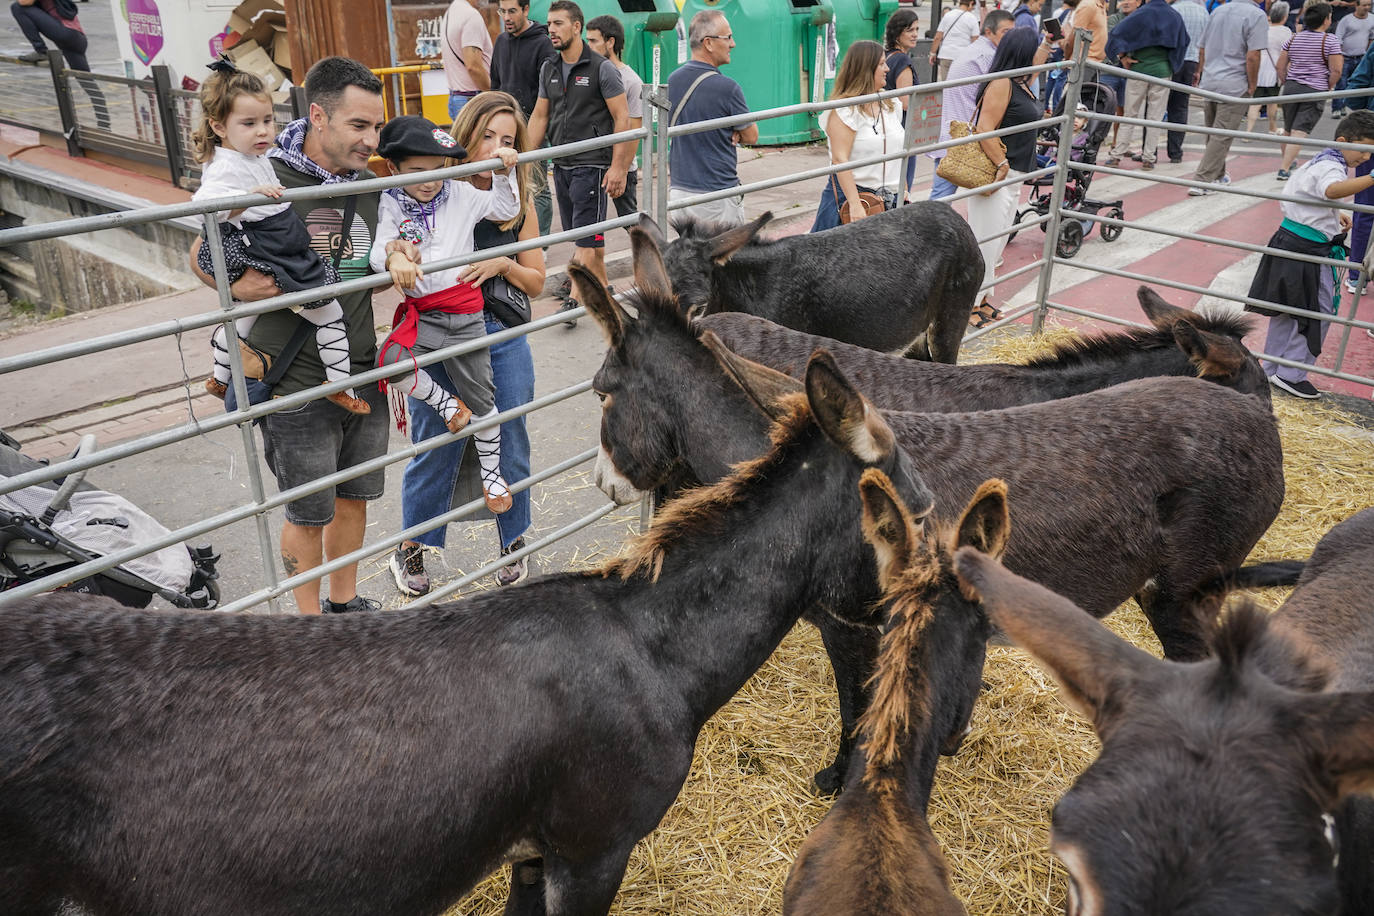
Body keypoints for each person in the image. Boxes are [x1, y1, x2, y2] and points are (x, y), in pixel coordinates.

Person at [189, 57, 390, 615]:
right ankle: (306, 626)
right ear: (320, 117)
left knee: (354, 498)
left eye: (376, 126)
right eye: (359, 126)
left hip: (361, 364)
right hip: (291, 376)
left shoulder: (372, 183)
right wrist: (241, 286)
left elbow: (389, 243)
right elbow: (200, 252)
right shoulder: (265, 169)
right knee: (308, 510)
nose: (370, 139)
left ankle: (344, 606)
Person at [391, 91, 543, 595]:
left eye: (508, 140)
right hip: (438, 329)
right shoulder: (429, 189)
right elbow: (391, 241)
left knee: (509, 433)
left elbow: (539, 282)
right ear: (465, 137)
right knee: (436, 439)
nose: (497, 147)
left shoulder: (514, 201)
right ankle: (412, 547)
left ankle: (513, 540)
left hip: (500, 330)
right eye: (488, 136)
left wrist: (504, 263)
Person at [191, 63, 369, 417]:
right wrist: (248, 198)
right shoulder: (227, 165)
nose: (262, 131)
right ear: (217, 126)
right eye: (249, 123)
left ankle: (219, 375)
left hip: (274, 239)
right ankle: (339, 384)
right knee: (329, 311)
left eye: (268, 120)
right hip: (269, 245)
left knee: (245, 316)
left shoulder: (250, 157)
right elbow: (203, 209)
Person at [371, 114, 519, 519]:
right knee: (387, 365)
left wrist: (506, 172)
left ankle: (492, 478)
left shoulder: (461, 193)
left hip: (467, 311)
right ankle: (446, 405)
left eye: (437, 169)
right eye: (417, 171)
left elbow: (505, 207)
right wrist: (394, 254)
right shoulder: (388, 200)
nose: (429, 180)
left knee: (484, 397)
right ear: (393, 168)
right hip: (423, 314)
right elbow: (379, 245)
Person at [1248, 109, 1374, 397]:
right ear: (1344, 140)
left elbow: (1309, 194)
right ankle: (1291, 373)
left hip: (1287, 239)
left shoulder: (1321, 158)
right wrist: (1371, 179)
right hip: (1308, 248)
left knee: (1285, 310)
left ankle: (1271, 367)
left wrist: (1333, 214)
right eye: (1365, 151)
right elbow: (1330, 190)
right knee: (1319, 311)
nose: (1366, 159)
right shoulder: (1332, 167)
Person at [526, 0, 634, 320]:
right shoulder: (549, 68)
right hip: (560, 164)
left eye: (558, 23)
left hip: (593, 165)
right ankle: (600, 284)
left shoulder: (602, 68)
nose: (551, 30)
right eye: (549, 24)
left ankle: (575, 296)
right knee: (583, 233)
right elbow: (539, 116)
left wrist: (618, 167)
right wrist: (524, 160)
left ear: (576, 27)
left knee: (587, 235)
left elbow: (622, 118)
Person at [967, 27, 1048, 326]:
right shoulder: (1002, 82)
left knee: (997, 243)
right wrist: (1001, 164)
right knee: (984, 243)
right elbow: (984, 128)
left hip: (1014, 175)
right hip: (998, 174)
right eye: (1035, 48)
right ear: (1022, 53)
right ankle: (969, 306)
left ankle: (983, 300)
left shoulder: (1021, 82)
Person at [666, 10, 759, 227]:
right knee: (726, 258)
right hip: (716, 196)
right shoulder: (728, 88)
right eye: (728, 37)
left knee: (689, 260)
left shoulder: (672, 80)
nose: (733, 44)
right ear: (708, 43)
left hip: (679, 192)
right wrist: (734, 129)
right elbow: (752, 135)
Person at [810, 41, 905, 232]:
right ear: (864, 69)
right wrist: (855, 205)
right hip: (855, 202)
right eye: (881, 64)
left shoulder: (891, 103)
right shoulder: (844, 109)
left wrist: (904, 188)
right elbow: (839, 159)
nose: (887, 69)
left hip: (891, 202)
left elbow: (900, 151)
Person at [929, 9, 1018, 201]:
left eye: (1013, 32)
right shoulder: (988, 57)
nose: (1010, 37)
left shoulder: (977, 50)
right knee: (942, 198)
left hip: (955, 132)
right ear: (989, 32)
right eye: (1005, 32)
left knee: (942, 196)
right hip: (964, 136)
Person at [490, 0, 557, 237]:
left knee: (537, 188)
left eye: (512, 11)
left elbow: (547, 93)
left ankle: (540, 243)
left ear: (526, 10)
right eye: (502, 11)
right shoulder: (500, 42)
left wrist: (536, 132)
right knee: (506, 184)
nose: (506, 17)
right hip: (505, 130)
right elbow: (495, 87)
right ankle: (515, 239)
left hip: (533, 126)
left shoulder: (542, 44)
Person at [1188, 0, 1268, 196]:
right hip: (1234, 81)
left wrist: (1201, 71)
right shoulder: (1256, 15)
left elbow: (1202, 48)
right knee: (1221, 134)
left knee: (1214, 133)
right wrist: (1252, 83)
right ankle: (1202, 180)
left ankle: (1218, 174)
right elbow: (1253, 55)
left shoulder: (1218, 11)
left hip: (1212, 79)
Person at [1103, 0, 1190, 170]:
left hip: (1138, 67)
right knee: (1155, 118)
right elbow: (1183, 42)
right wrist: (1173, 65)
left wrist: (1122, 57)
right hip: (1162, 71)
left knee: (1129, 115)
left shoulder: (1140, 14)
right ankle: (1149, 158)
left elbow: (1116, 34)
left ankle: (1116, 155)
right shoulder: (1174, 16)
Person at [11, 0, 107, 128]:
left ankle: (41, 50)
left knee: (17, 7)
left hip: (66, 33)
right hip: (76, 39)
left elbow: (24, 2)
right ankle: (105, 124)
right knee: (87, 82)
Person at [1277, 2, 1344, 179]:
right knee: (1300, 131)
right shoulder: (1329, 40)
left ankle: (1288, 161)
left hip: (1291, 87)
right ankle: (1284, 169)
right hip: (1315, 89)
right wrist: (1328, 85)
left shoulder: (1293, 38)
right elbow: (1337, 70)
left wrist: (1287, 80)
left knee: (1288, 128)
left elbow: (1280, 65)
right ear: (1325, 20)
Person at [586, 14, 643, 219]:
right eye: (587, 40)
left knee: (630, 221)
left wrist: (621, 170)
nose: (588, 45)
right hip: (592, 164)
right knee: (591, 226)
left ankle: (652, 251)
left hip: (621, 165)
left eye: (593, 41)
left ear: (610, 42)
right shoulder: (588, 73)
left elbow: (635, 130)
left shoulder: (631, 81)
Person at [883, 7, 922, 197]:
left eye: (916, 29)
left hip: (889, 128)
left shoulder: (887, 57)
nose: (915, 34)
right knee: (903, 187)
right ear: (897, 33)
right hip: (903, 129)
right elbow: (905, 102)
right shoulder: (902, 61)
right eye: (909, 30)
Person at [1164, 0, 1209, 163]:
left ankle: (1150, 152)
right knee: (1181, 107)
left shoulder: (1173, 9)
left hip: (1172, 61)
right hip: (1192, 62)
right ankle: (1175, 152)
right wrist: (1199, 69)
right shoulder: (1203, 12)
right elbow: (1204, 44)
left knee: (1159, 105)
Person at [1247, 2, 1294, 134]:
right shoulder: (1286, 32)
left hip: (1259, 69)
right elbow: (1288, 54)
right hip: (1274, 71)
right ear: (1284, 16)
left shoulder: (1263, 29)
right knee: (1272, 102)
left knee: (1255, 103)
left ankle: (1248, 131)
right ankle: (1272, 127)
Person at [441, 0, 493, 118]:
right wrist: (492, 92)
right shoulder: (471, 16)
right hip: (473, 99)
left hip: (459, 97)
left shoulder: (452, 11)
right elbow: (473, 66)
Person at [1332, 0, 1373, 115]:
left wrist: (1367, 54)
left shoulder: (1372, 19)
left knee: (1359, 84)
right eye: (1364, 5)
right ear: (1356, 5)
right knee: (1342, 84)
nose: (1367, 7)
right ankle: (1337, 108)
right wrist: (1338, 57)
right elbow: (1338, 39)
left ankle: (1347, 107)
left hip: (1361, 57)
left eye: (1369, 5)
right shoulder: (1346, 20)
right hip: (1346, 57)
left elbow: (1371, 37)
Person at [930, 0, 981, 81]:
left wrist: (932, 53)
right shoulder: (972, 18)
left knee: (946, 86)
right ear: (971, 3)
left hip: (946, 55)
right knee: (959, 86)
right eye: (973, 7)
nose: (972, 9)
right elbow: (975, 41)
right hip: (962, 57)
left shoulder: (948, 15)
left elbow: (938, 37)